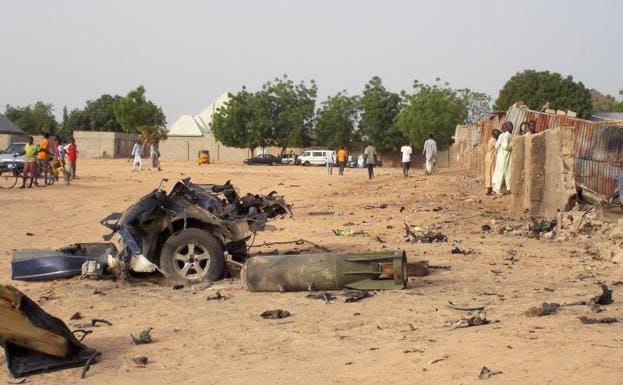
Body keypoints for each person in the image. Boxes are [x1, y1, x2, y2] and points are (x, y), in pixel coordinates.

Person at [492, 122, 514, 194]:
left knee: (502, 171)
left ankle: (500, 188)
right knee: (504, 172)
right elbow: (506, 146)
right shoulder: (507, 135)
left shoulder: (504, 135)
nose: (510, 127)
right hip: (504, 155)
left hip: (502, 155)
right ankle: (500, 189)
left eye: (511, 125)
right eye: (509, 126)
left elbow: (497, 146)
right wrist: (513, 145)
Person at [485, 129, 501, 195]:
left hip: (489, 157)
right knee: (491, 172)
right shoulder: (493, 140)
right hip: (491, 158)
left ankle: (489, 188)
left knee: (489, 172)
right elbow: (498, 146)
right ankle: (490, 188)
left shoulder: (491, 139)